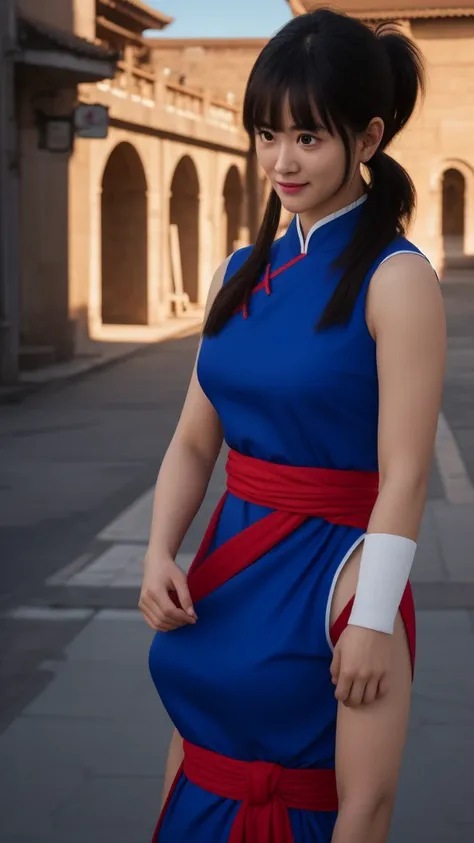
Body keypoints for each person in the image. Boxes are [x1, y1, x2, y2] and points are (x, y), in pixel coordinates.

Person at [140, 8, 446, 843]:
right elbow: (195, 438)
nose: (281, 160)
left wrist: (375, 616)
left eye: (308, 137)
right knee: (201, 743)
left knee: (350, 795)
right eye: (267, 133)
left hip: (339, 567)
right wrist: (162, 549)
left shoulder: (396, 279)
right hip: (232, 555)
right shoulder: (239, 273)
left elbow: (408, 471)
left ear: (369, 137)